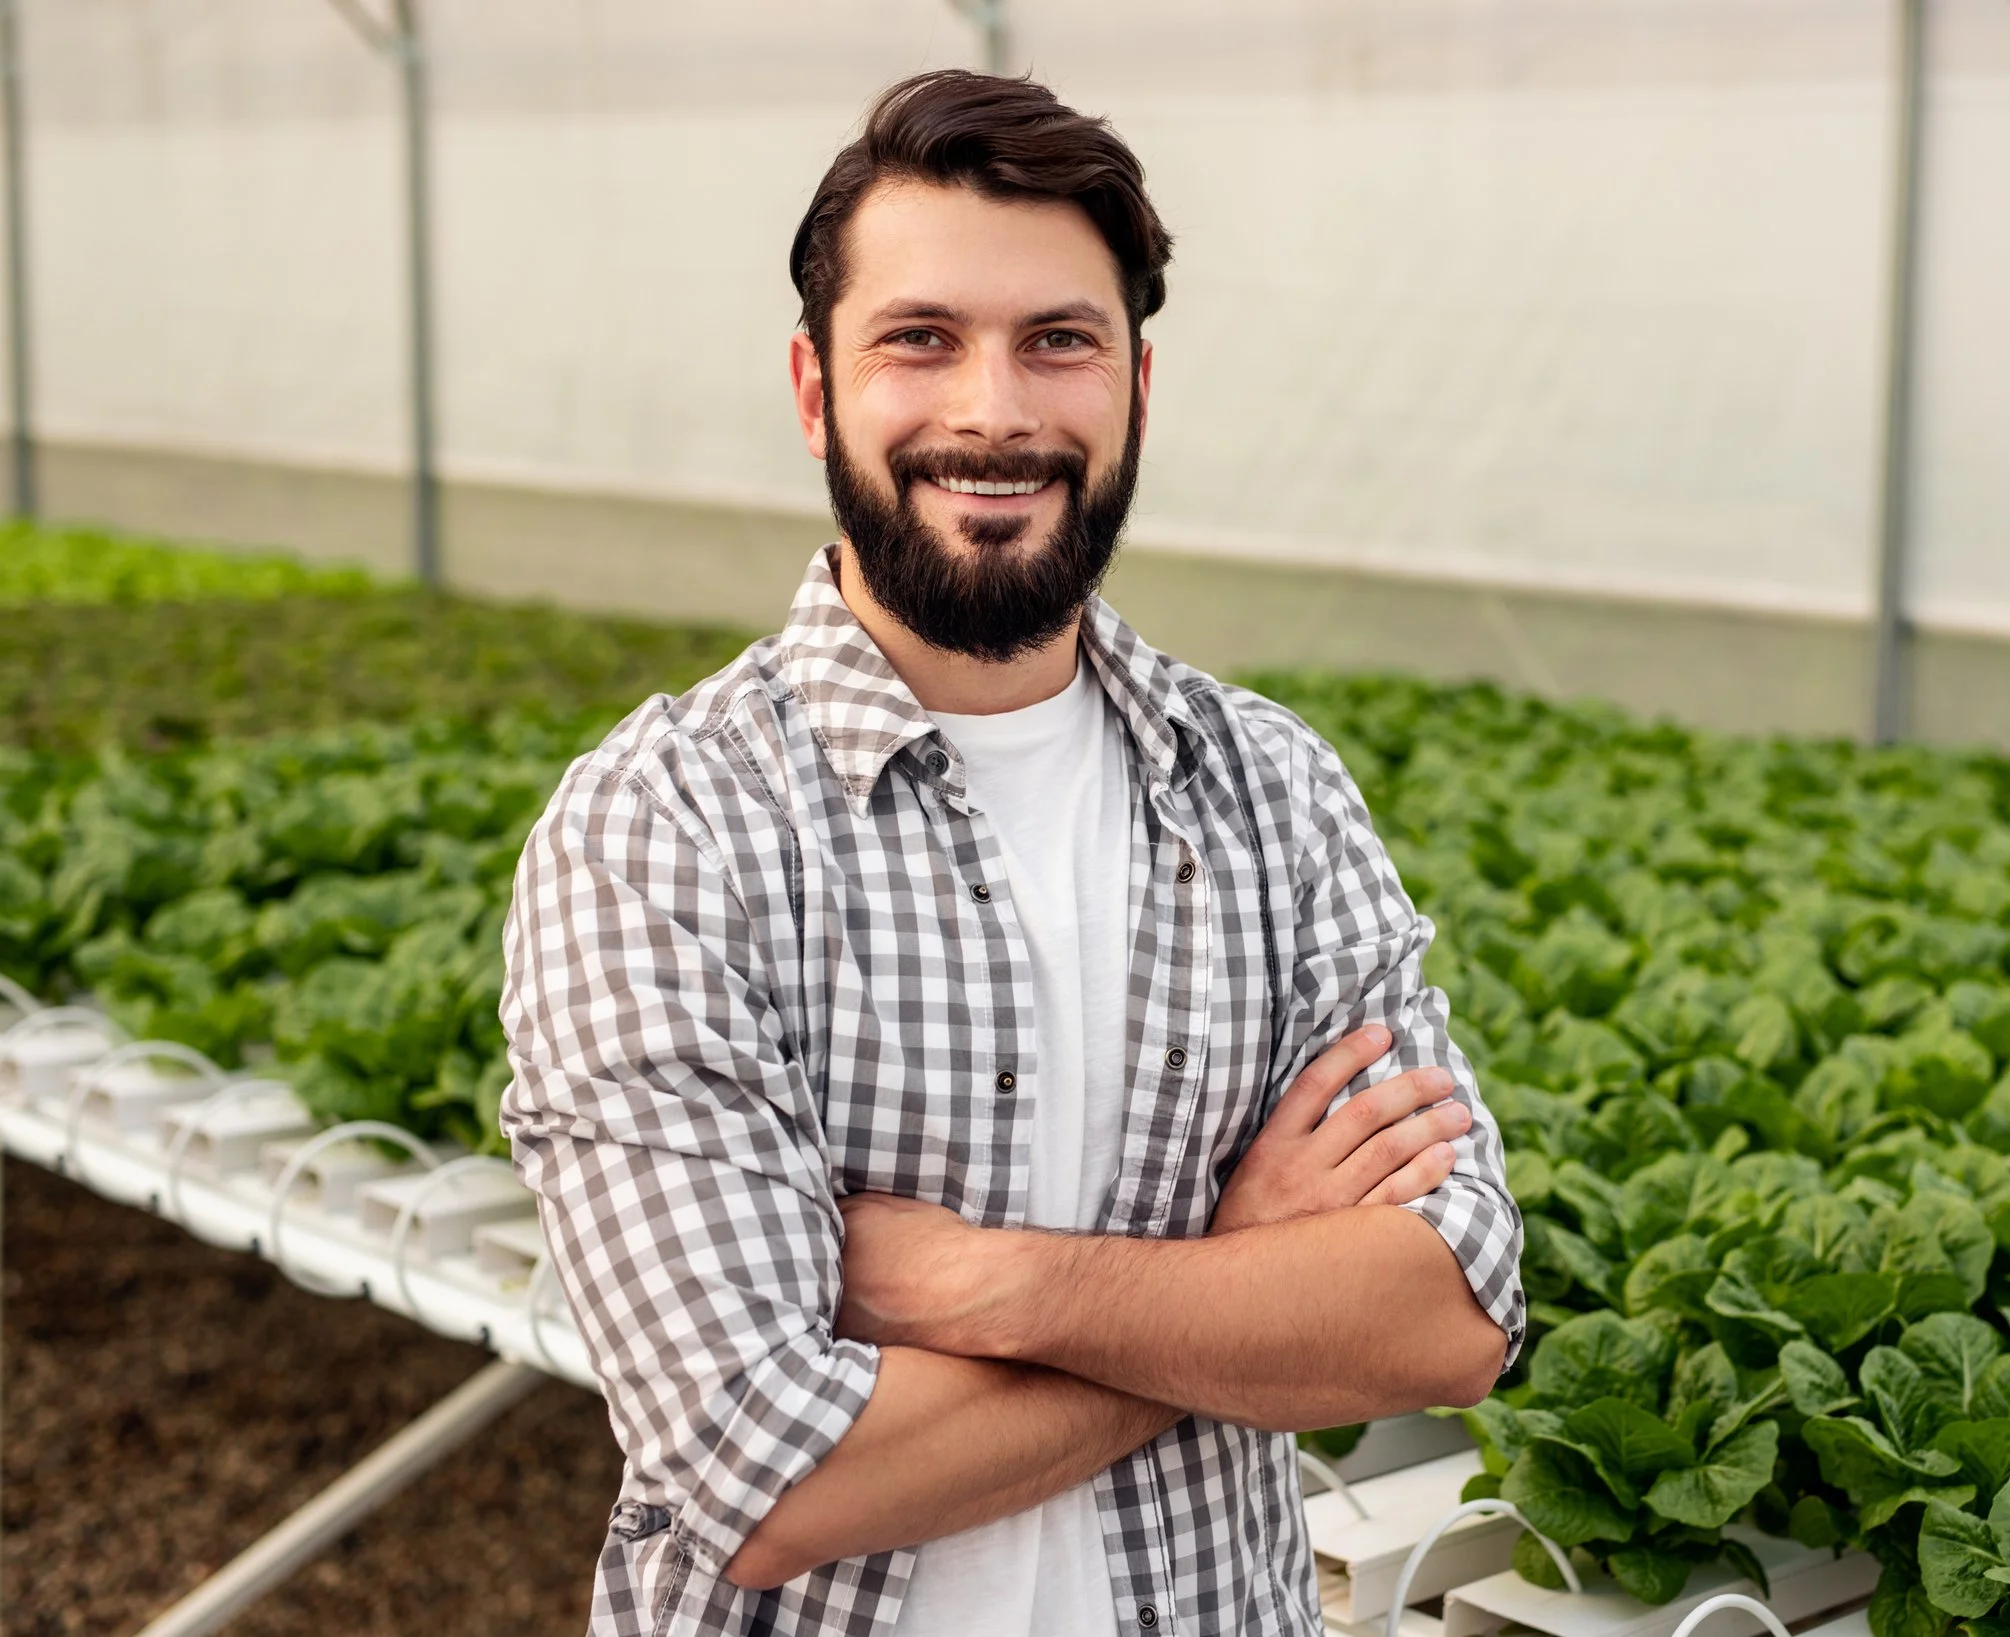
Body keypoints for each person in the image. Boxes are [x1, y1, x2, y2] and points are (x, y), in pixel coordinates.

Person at [501, 69, 1523, 1637]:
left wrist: (978, 1280)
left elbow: (1445, 1319)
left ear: (1135, 385)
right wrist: (1237, 1276)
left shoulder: (1271, 791)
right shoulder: (663, 827)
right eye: (920, 340)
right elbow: (766, 1481)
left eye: (1061, 340)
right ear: (812, 387)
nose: (995, 411)